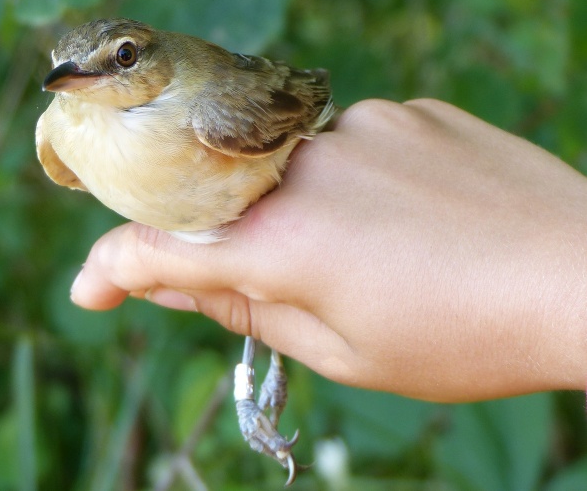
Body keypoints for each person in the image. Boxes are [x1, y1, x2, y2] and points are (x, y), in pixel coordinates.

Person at [69, 98, 587, 402]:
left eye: (119, 59)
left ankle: (261, 373)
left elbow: (300, 100)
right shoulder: (68, 137)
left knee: (265, 265)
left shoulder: (211, 113)